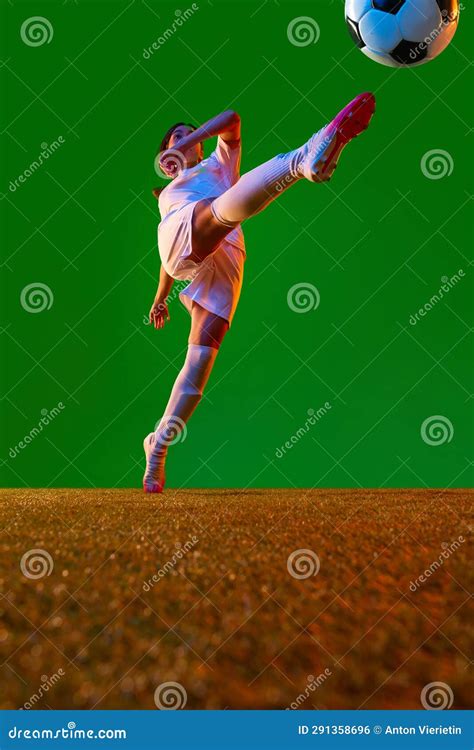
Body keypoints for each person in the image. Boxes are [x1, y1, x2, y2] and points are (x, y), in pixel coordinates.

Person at [143, 92, 376, 492]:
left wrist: (189, 137)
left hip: (226, 253)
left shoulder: (219, 164)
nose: (185, 138)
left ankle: (159, 443)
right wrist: (159, 295)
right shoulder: (170, 193)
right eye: (175, 136)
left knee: (200, 362)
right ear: (165, 156)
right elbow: (168, 259)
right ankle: (304, 159)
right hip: (188, 232)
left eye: (190, 135)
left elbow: (231, 117)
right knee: (212, 215)